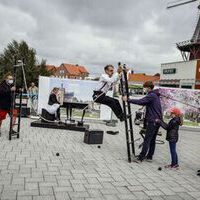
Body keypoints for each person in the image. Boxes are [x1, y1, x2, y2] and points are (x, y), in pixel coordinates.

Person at [123, 81, 163, 162]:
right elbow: (148, 103)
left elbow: (141, 101)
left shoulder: (151, 95)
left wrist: (128, 100)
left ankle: (140, 158)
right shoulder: (155, 95)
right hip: (157, 120)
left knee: (147, 140)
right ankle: (149, 157)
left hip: (153, 121)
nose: (144, 89)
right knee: (152, 140)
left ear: (148, 87)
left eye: (145, 87)